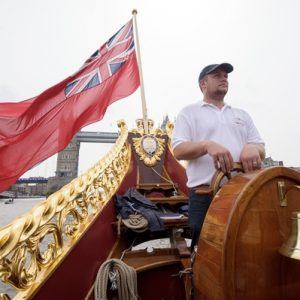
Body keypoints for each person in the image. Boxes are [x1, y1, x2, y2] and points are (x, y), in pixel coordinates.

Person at [171, 63, 265, 250]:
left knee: (245, 247)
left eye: (226, 76)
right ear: (203, 84)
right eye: (217, 75)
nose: (224, 78)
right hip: (205, 195)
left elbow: (261, 147)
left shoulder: (241, 114)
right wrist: (207, 145)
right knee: (205, 252)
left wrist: (251, 148)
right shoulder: (189, 112)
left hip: (242, 193)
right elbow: (179, 150)